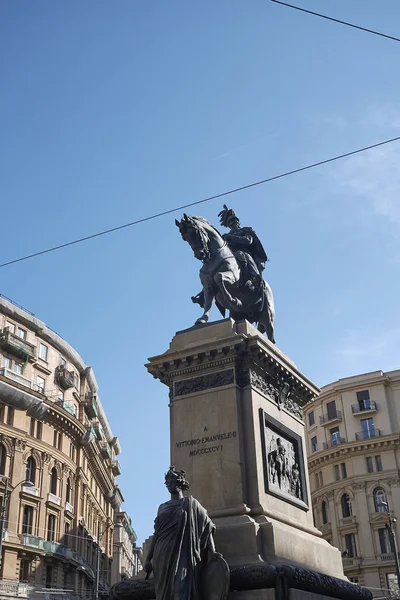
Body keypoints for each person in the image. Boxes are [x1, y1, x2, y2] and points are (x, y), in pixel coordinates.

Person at [143, 467, 217, 600]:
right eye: (168, 482)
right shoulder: (162, 507)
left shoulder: (191, 504)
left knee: (180, 589)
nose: (170, 485)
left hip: (183, 552)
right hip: (162, 554)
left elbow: (207, 525)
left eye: (173, 482)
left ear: (181, 483)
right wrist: (148, 559)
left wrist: (213, 551)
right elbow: (156, 535)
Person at [218, 204, 268, 291]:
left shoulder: (245, 230)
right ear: (228, 224)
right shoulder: (226, 236)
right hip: (231, 255)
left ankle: (255, 277)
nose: (234, 222)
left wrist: (231, 237)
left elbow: (248, 240)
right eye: (231, 221)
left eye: (235, 220)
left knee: (246, 257)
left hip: (244, 252)